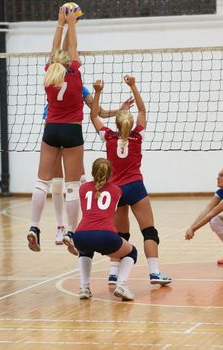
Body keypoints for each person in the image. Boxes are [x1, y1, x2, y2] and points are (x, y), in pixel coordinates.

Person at [89, 77, 172, 286]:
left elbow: (93, 116)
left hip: (115, 189)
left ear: (116, 123)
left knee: (120, 234)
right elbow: (142, 111)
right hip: (135, 187)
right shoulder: (138, 136)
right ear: (132, 123)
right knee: (149, 231)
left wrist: (98, 92)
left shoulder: (108, 137)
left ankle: (113, 274)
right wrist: (133, 85)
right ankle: (154, 272)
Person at [43, 84, 133, 246]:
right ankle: (60, 227)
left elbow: (99, 113)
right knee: (56, 183)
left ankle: (82, 224)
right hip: (52, 132)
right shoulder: (53, 81)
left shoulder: (80, 88)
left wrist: (120, 111)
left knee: (80, 181)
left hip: (71, 134)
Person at [27, 7, 84, 252]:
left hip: (51, 129)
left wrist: (60, 23)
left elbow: (56, 51)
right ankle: (71, 232)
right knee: (72, 186)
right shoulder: (75, 74)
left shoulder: (49, 75)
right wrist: (73, 24)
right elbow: (72, 48)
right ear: (70, 62)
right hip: (72, 131)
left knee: (42, 182)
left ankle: (34, 227)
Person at [73, 158, 137, 301]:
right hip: (105, 235)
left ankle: (84, 287)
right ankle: (121, 285)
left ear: (92, 172)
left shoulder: (82, 189)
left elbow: (91, 189)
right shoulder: (117, 191)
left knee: (85, 251)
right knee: (132, 251)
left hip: (80, 235)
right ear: (110, 174)